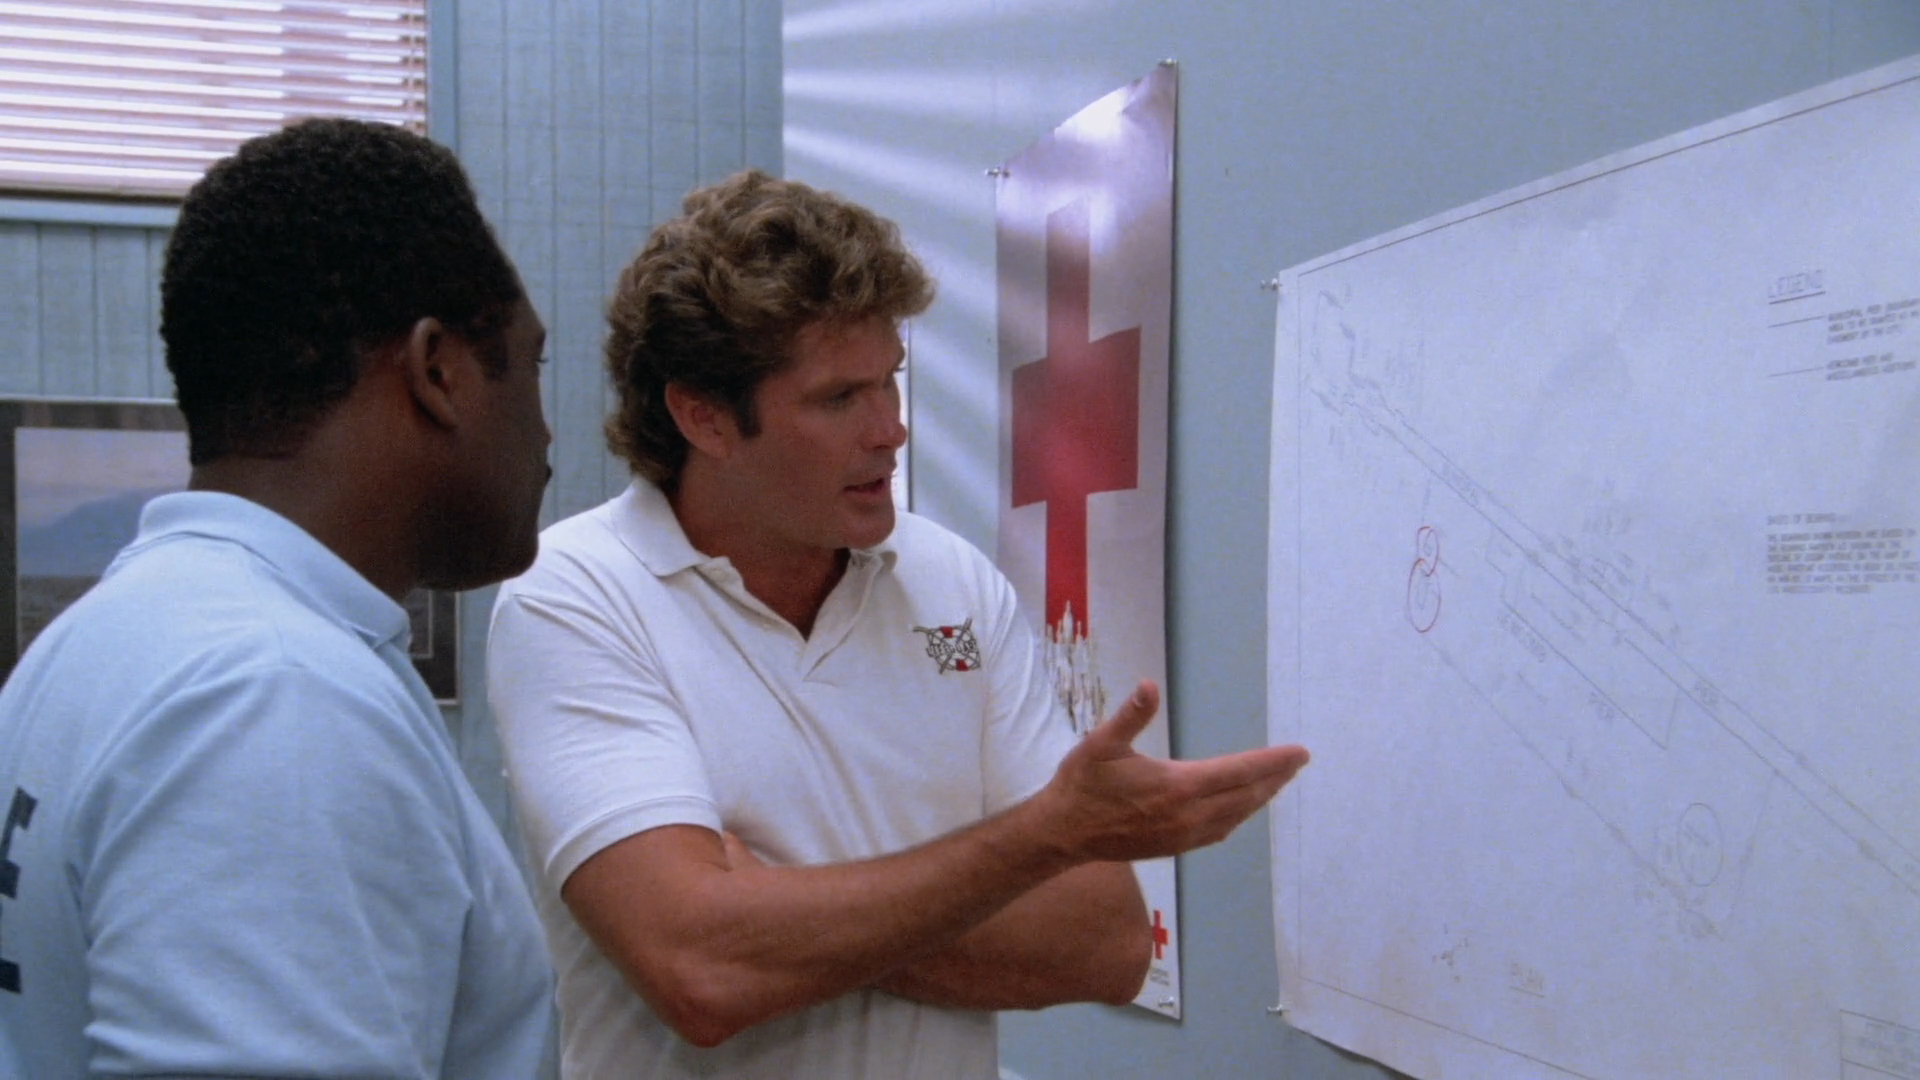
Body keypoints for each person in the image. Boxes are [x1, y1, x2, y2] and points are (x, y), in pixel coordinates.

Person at [486, 169, 1311, 1079]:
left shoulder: (953, 582)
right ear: (704, 416)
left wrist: (770, 904)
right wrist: (1038, 841)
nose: (891, 430)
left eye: (891, 380)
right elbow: (703, 973)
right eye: (840, 398)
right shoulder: (575, 596)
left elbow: (1107, 946)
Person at [0, 119, 557, 1078]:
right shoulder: (278, 698)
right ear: (437, 371)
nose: (547, 435)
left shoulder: (97, 642)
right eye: (533, 367)